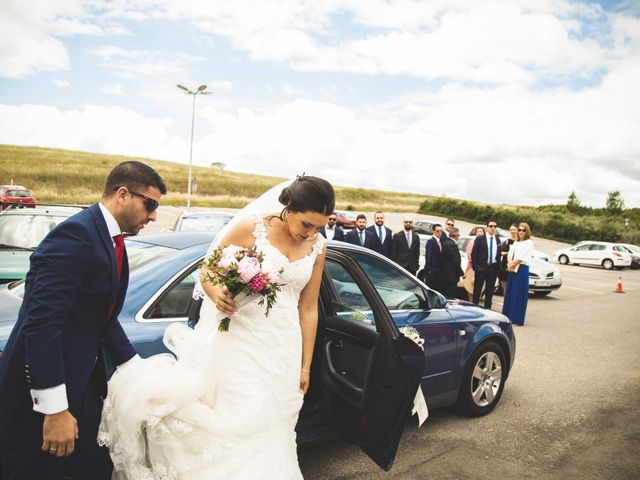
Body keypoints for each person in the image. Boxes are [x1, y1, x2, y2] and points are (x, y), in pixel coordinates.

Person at [98, 176, 335, 479]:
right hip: (242, 344)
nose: (311, 234)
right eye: (306, 224)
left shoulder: (318, 247)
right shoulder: (252, 227)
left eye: (319, 227)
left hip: (284, 349)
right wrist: (216, 293)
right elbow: (207, 270)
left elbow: (309, 307)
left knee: (276, 427)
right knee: (241, 424)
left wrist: (305, 365)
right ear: (289, 207)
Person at [0, 161, 166, 480]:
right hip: (38, 399)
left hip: (85, 386)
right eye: (151, 204)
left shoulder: (110, 239)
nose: (154, 216)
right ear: (122, 194)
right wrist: (54, 408)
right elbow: (42, 325)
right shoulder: (75, 236)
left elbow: (99, 315)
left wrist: (134, 366)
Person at [502, 223, 534, 326]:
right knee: (510, 292)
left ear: (527, 231)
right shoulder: (516, 242)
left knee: (518, 294)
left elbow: (521, 257)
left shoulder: (529, 243)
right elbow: (510, 254)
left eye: (523, 230)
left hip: (521, 269)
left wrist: (513, 264)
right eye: (519, 230)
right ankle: (507, 316)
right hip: (512, 268)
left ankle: (516, 318)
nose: (520, 232)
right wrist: (509, 263)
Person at [471, 220, 501, 309]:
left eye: (495, 226)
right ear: (487, 227)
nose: (493, 228)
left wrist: (498, 267)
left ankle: (488, 309)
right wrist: (476, 267)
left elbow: (498, 254)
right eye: (491, 226)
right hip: (481, 268)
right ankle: (474, 307)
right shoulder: (480, 238)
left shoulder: (497, 239)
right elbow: (474, 253)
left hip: (493, 268)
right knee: (477, 290)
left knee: (490, 291)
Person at [440, 227, 464, 298]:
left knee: (446, 293)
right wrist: (461, 273)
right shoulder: (452, 245)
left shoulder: (446, 242)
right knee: (451, 295)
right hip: (451, 275)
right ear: (456, 235)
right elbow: (455, 262)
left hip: (445, 274)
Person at [424, 223, 444, 291]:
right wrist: (429, 270)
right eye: (437, 231)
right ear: (433, 231)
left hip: (439, 271)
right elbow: (428, 256)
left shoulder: (441, 241)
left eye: (441, 231)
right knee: (430, 290)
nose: (440, 233)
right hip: (432, 271)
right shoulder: (431, 241)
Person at [499, 224, 518, 293]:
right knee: (506, 291)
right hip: (505, 268)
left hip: (516, 268)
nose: (513, 231)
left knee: (514, 290)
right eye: (511, 230)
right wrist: (507, 253)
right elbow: (499, 252)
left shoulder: (520, 242)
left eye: (514, 229)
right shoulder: (506, 242)